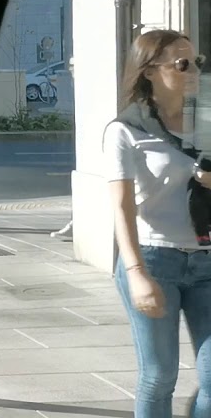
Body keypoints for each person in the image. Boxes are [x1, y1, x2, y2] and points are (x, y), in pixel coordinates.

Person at [105, 29, 211, 417]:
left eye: (195, 62)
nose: (193, 71)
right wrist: (136, 273)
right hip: (155, 260)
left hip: (207, 259)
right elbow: (121, 207)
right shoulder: (127, 131)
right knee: (159, 375)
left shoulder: (209, 117)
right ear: (149, 71)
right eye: (182, 64)